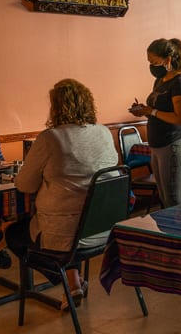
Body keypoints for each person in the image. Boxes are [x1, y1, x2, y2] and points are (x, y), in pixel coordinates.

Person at [8, 79, 118, 304]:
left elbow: (25, 185)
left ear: (56, 107)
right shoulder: (104, 133)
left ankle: (65, 281)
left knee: (14, 235)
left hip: (65, 234)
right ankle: (74, 282)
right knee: (70, 220)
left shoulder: (51, 138)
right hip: (103, 228)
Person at [129, 38, 181, 208]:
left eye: (154, 62)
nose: (151, 66)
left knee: (173, 199)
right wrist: (144, 110)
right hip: (157, 146)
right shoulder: (160, 80)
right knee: (164, 198)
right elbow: (158, 111)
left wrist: (151, 111)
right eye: (149, 62)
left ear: (168, 59)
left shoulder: (179, 83)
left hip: (172, 145)